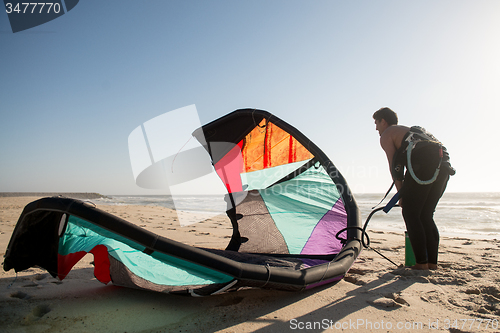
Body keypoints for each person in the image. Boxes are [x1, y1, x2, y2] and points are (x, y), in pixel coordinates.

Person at [373, 107, 454, 270]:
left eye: (376, 123)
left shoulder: (388, 134)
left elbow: (394, 166)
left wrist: (401, 193)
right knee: (426, 214)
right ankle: (431, 264)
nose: (376, 128)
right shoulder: (412, 132)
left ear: (384, 121)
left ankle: (421, 264)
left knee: (410, 212)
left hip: (424, 165)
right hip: (444, 165)